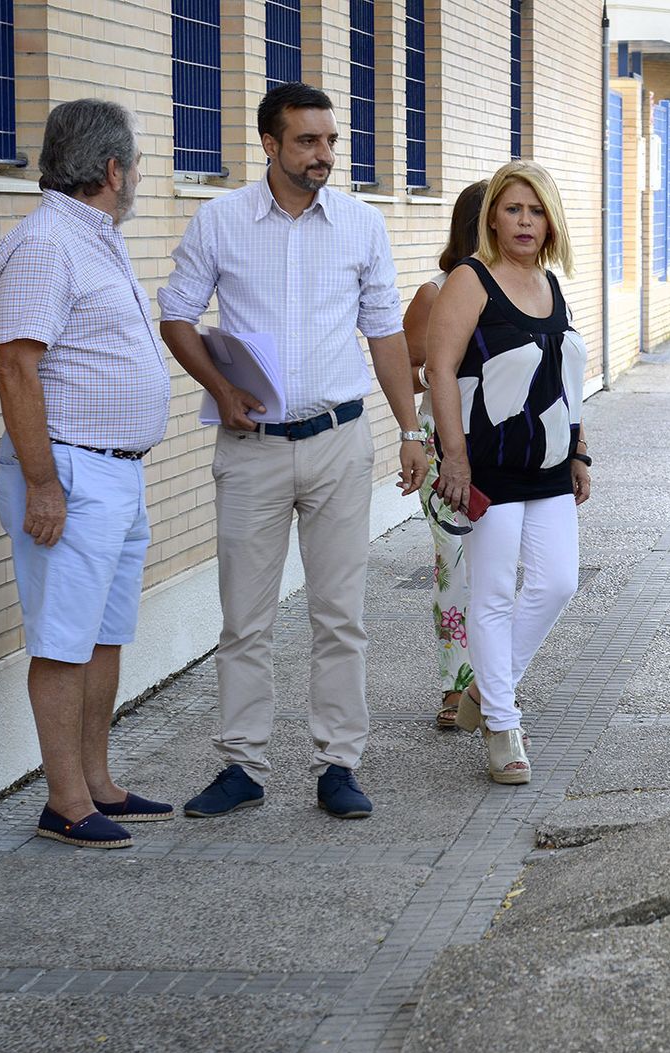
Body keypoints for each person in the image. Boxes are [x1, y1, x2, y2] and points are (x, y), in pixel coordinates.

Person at [158, 82, 427, 818]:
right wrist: (219, 386)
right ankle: (242, 765)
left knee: (340, 615)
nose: (325, 154)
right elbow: (176, 314)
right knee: (245, 618)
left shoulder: (362, 226)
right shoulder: (220, 222)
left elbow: (385, 334)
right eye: (308, 141)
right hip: (253, 449)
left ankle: (338, 764)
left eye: (331, 140)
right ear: (270, 146)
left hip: (339, 440)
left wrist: (410, 430)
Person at [0, 99, 174, 848]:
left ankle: (97, 783)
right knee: (64, 641)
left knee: (103, 636)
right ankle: (64, 802)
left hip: (113, 476)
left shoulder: (96, 238)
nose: (136, 179)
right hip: (68, 474)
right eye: (135, 167)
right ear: (111, 170)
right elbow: (15, 365)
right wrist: (42, 483)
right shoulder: (46, 244)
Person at [426, 160, 591, 785]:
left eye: (537, 210)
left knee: (557, 584)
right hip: (488, 467)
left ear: (551, 220)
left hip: (548, 465)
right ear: (492, 215)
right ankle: (502, 725)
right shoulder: (471, 280)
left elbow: (564, 377)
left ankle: (485, 692)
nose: (525, 221)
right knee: (491, 595)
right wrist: (456, 459)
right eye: (513, 209)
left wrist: (579, 450)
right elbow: (439, 370)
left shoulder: (551, 284)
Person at [401, 179, 487, 729]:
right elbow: (405, 367)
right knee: (454, 569)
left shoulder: (525, 287)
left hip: (509, 450)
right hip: (448, 450)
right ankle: (456, 688)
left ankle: (491, 681)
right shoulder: (435, 293)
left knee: (498, 571)